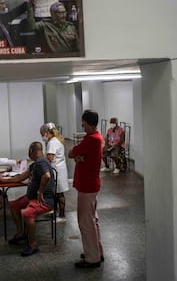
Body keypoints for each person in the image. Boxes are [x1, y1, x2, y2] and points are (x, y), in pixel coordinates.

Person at [0, 142, 55, 257]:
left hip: (45, 200)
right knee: (13, 206)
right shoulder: (34, 164)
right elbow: (21, 177)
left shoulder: (42, 162)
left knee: (27, 213)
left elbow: (46, 176)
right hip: (31, 197)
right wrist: (3, 180)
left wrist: (40, 192)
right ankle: (20, 234)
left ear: (32, 151)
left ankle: (33, 245)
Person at [68, 109, 104, 268]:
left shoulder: (91, 140)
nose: (82, 126)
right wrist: (78, 157)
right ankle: (96, 251)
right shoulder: (95, 138)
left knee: (85, 222)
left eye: (83, 123)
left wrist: (77, 155)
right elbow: (77, 154)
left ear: (88, 123)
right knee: (93, 220)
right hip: (91, 184)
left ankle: (92, 258)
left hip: (87, 186)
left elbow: (71, 152)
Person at [40, 122, 69, 223]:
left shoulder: (52, 142)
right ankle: (55, 212)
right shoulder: (56, 140)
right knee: (57, 193)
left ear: (47, 133)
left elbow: (50, 158)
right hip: (59, 169)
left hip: (57, 171)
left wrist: (40, 161)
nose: (42, 137)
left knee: (59, 194)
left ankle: (61, 215)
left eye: (42, 134)